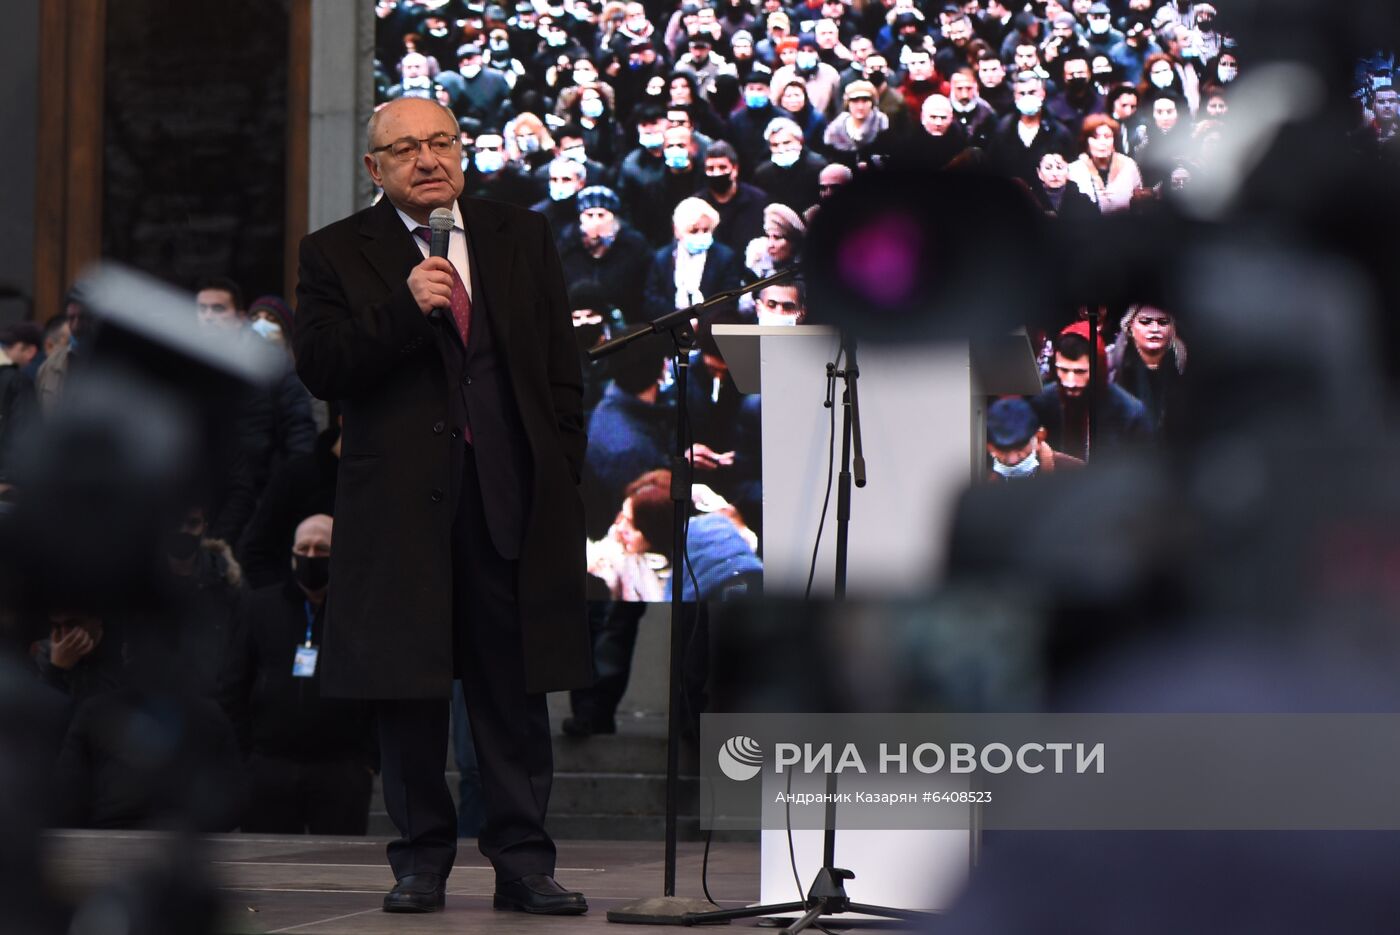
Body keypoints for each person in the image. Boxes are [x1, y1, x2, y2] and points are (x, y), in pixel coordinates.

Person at [292, 97, 590, 916]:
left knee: (512, 694)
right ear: (373, 168)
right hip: (398, 511)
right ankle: (420, 860)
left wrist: (558, 471)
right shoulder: (335, 253)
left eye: (441, 142)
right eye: (406, 149)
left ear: (462, 151)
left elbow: (562, 370)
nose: (428, 159)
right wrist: (402, 306)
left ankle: (524, 860)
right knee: (409, 693)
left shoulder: (519, 236)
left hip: (507, 498)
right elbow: (322, 364)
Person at [218, 514, 378, 835]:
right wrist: (246, 756)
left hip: (341, 768)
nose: (311, 556)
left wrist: (369, 759)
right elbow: (234, 682)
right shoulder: (259, 607)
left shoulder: (361, 611)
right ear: (292, 553)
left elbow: (376, 685)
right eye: (304, 548)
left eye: (322, 549)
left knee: (336, 871)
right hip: (269, 766)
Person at [1028, 321, 1153, 462]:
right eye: (1063, 370)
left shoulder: (1130, 414)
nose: (1070, 382)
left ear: (1097, 369)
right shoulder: (1041, 404)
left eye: (1080, 372)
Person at [558, 185, 654, 325]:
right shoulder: (567, 246)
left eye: (601, 215)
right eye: (589, 215)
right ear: (580, 218)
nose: (596, 221)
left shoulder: (634, 246)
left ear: (613, 217)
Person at [642, 197, 745, 322]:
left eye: (706, 230)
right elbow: (652, 300)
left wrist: (701, 323)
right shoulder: (662, 258)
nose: (701, 235)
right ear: (677, 231)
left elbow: (729, 301)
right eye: (694, 231)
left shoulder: (725, 257)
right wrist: (680, 320)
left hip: (711, 329)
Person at [1108, 305, 1186, 435]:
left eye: (1163, 322)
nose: (1155, 329)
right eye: (1145, 322)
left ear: (1173, 328)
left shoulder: (1187, 362)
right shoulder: (1109, 362)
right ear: (1130, 326)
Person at [984, 397, 1083, 481]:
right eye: (1003, 449)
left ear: (1039, 437)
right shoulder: (976, 479)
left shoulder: (1076, 473)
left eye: (1020, 447)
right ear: (989, 447)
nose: (1013, 460)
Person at [697, 141, 768, 252]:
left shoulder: (758, 200)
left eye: (722, 167)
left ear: (735, 169)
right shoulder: (697, 204)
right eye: (711, 168)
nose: (717, 173)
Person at [1066, 113, 1144, 213]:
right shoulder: (1074, 170)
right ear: (1086, 141)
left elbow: (1139, 204)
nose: (1102, 142)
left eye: (1107, 137)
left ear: (1114, 140)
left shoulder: (1129, 165)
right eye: (1095, 137)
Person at [823, 79, 896, 166]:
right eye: (855, 101)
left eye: (865, 101)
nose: (860, 106)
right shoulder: (836, 129)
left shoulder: (883, 126)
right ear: (847, 103)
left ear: (872, 103)